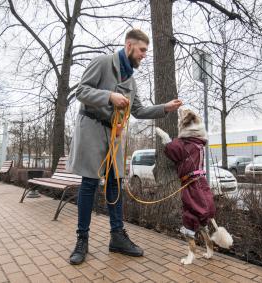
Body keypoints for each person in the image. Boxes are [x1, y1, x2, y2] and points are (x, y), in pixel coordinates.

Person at [67, 29, 182, 265]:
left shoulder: (131, 79)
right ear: (129, 45)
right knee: (89, 183)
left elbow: (138, 110)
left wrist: (165, 108)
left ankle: (117, 237)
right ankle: (82, 240)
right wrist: (110, 96)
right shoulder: (102, 62)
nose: (143, 55)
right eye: (141, 50)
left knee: (116, 184)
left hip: (115, 134)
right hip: (91, 128)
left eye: (145, 51)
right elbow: (81, 91)